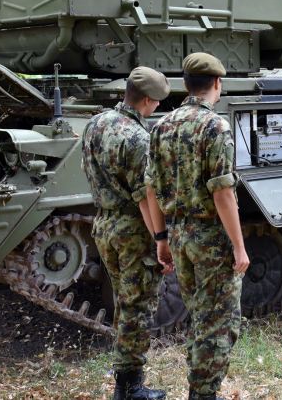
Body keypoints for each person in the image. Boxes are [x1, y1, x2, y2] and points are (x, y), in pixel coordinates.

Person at [146, 53, 250, 400]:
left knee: (199, 315)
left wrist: (160, 238)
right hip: (210, 238)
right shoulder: (215, 126)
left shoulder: (161, 125)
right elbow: (222, 192)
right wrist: (238, 245)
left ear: (185, 85)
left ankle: (199, 387)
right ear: (217, 84)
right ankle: (203, 394)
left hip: (178, 234)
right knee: (217, 323)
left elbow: (150, 188)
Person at [81, 67, 173, 400]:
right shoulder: (137, 138)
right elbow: (146, 197)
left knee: (125, 302)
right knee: (137, 307)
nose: (157, 108)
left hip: (104, 224)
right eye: (157, 103)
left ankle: (126, 375)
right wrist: (161, 241)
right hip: (132, 232)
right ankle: (130, 388)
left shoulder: (96, 123)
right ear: (147, 100)